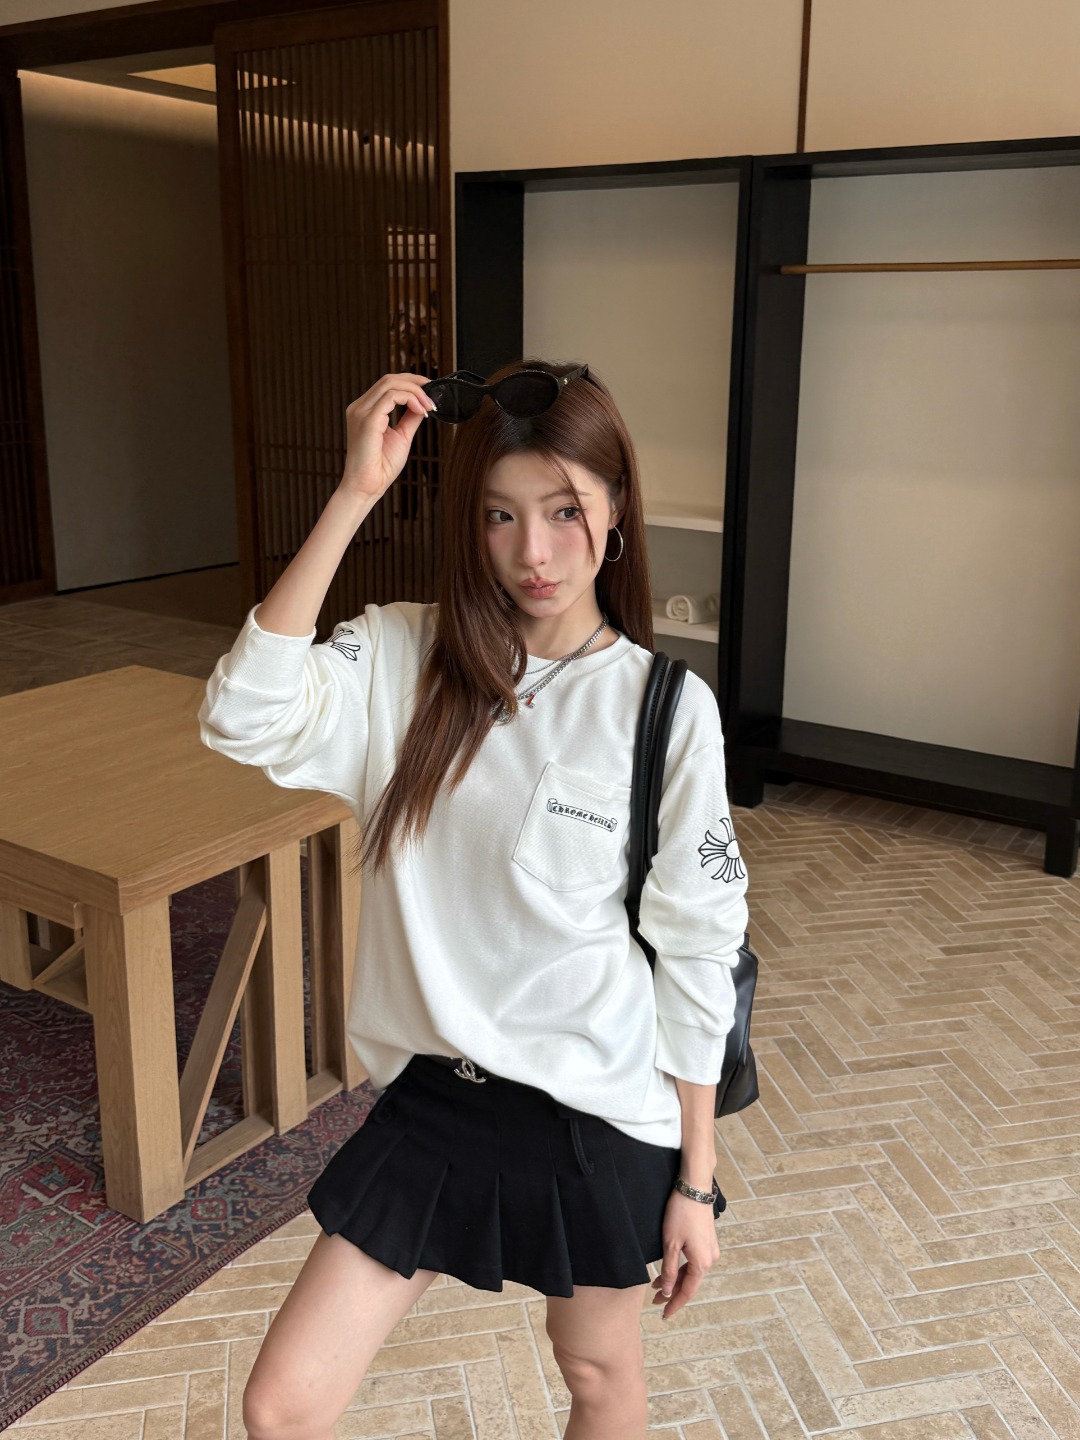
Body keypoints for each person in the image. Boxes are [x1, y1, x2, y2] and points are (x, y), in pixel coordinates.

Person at [198, 358, 750, 1440]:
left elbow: (698, 951)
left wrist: (697, 1182)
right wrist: (356, 493)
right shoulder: (405, 658)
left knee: (597, 1373)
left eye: (564, 511)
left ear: (615, 510)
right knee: (281, 1406)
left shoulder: (664, 708)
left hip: (596, 1107)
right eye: (500, 515)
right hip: (440, 1095)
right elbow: (241, 716)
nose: (533, 552)